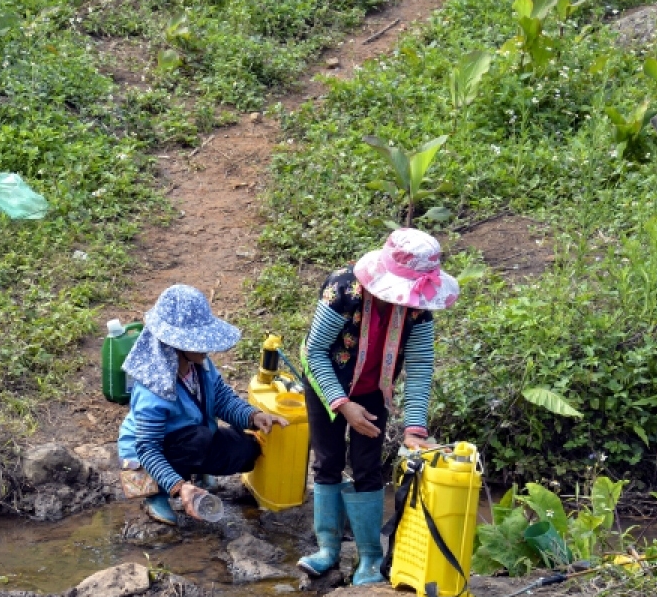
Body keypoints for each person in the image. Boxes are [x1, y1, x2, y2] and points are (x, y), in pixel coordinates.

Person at [297, 228, 459, 585]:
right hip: (327, 382)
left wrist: (415, 429)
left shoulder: (419, 309)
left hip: (373, 389)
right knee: (327, 461)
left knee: (368, 466)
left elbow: (418, 367)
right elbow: (314, 352)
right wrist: (341, 405)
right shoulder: (343, 290)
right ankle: (328, 549)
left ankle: (370, 556)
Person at [117, 284, 288, 525]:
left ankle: (193, 470)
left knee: (247, 450)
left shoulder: (200, 365)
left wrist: (253, 416)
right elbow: (147, 447)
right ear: (176, 346)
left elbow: (222, 399)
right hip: (149, 455)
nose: (207, 348)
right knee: (198, 439)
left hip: (191, 439)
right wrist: (178, 486)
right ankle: (157, 494)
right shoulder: (152, 389)